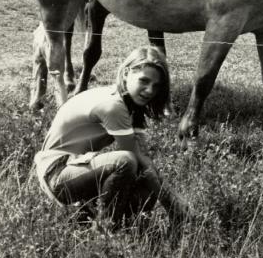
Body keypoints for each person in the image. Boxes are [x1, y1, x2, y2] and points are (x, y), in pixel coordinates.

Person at [33, 46, 186, 230]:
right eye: (144, 81)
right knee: (126, 161)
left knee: (146, 177)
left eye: (156, 85)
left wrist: (164, 192)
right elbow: (135, 157)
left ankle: (124, 227)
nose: (149, 90)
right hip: (56, 174)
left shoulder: (130, 103)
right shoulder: (114, 106)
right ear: (127, 73)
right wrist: (172, 202)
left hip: (76, 170)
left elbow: (144, 158)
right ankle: (105, 230)